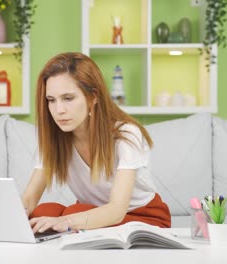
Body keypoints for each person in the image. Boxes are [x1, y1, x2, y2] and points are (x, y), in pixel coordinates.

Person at [22, 52, 171, 234]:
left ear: (93, 97)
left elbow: (116, 210)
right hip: (92, 212)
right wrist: (15, 217)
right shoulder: (55, 139)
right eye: (51, 100)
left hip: (144, 216)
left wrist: (66, 221)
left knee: (73, 212)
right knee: (43, 212)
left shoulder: (126, 134)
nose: (58, 110)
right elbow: (29, 199)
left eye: (68, 98)